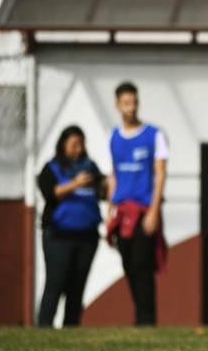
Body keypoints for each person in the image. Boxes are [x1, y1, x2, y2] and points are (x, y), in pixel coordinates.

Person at [108, 82, 169, 326]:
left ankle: (147, 320)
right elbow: (113, 174)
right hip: (122, 213)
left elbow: (160, 174)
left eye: (133, 102)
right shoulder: (112, 137)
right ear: (117, 105)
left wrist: (154, 211)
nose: (130, 108)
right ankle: (139, 315)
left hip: (144, 210)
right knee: (128, 264)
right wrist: (110, 209)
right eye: (125, 103)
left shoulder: (154, 135)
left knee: (143, 264)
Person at [37, 125, 104, 327]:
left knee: (78, 287)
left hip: (87, 237)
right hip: (58, 236)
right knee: (55, 283)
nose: (78, 149)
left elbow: (104, 189)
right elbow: (50, 192)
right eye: (74, 145)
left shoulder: (90, 167)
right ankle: (44, 327)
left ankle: (71, 328)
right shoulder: (52, 168)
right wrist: (75, 184)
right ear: (63, 145)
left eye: (81, 145)